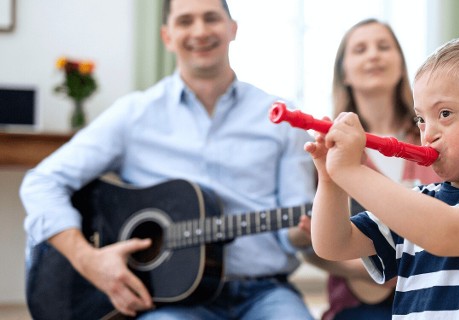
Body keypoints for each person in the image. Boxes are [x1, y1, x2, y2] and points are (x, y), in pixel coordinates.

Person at [20, 0, 316, 319]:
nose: (200, 31)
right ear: (167, 36)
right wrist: (87, 260)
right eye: (185, 21)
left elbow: (293, 237)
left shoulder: (283, 118)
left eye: (211, 18)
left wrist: (308, 230)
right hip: (171, 303)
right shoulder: (133, 115)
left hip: (265, 292)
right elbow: (41, 182)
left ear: (233, 28)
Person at [304, 36, 459, 319]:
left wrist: (351, 171)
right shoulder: (421, 199)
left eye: (445, 114)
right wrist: (330, 180)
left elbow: (447, 232)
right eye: (421, 119)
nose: (428, 133)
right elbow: (334, 244)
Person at [301, 19, 440, 320]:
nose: (373, 55)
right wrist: (373, 270)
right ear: (345, 73)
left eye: (383, 47)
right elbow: (319, 246)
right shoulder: (331, 150)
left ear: (401, 65)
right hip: (360, 304)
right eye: (360, 49)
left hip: (437, 292)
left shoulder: (435, 136)